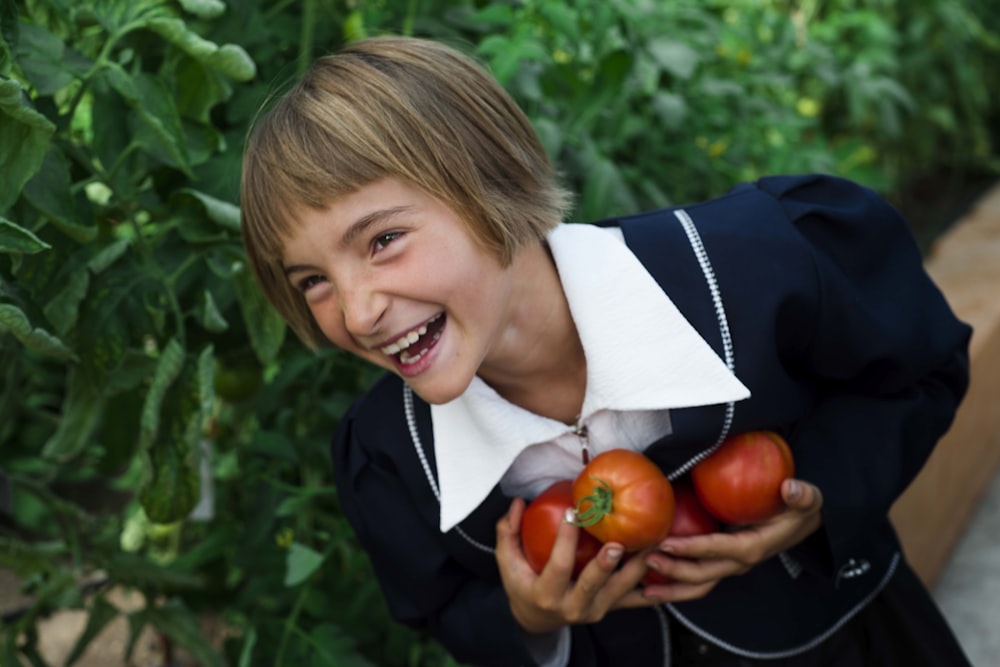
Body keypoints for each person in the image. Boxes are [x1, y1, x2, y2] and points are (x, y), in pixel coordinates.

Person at [239, 35, 974, 667]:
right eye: (313, 280)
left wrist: (821, 496)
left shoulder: (757, 269)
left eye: (383, 240)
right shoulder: (393, 455)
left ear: (493, 182)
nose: (360, 311)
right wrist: (529, 617)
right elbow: (444, 610)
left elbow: (917, 369)